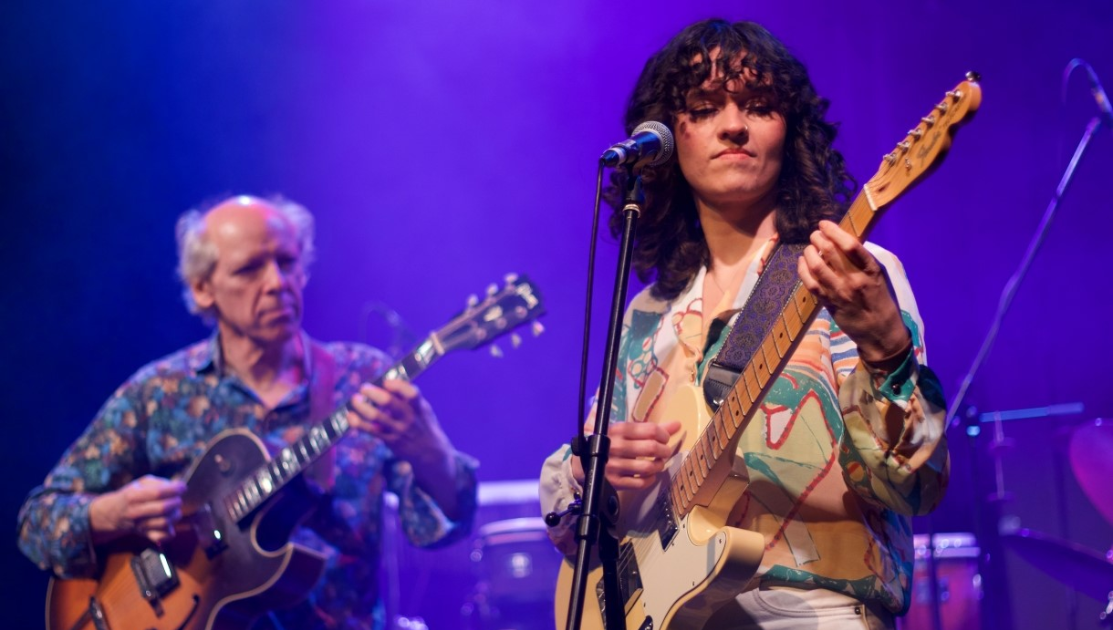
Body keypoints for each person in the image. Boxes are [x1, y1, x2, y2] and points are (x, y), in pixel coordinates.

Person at [540, 18, 949, 630]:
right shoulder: (650, 314)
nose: (734, 125)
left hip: (816, 611)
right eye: (704, 108)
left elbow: (916, 487)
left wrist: (888, 352)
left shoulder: (845, 276)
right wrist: (587, 468)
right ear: (670, 139)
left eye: (758, 106)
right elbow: (573, 521)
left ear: (791, 132)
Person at [17, 195, 478, 630]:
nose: (276, 283)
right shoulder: (159, 392)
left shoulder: (362, 377)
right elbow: (38, 521)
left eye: (286, 262)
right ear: (202, 289)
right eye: (249, 269)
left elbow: (438, 533)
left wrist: (432, 455)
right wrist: (108, 513)